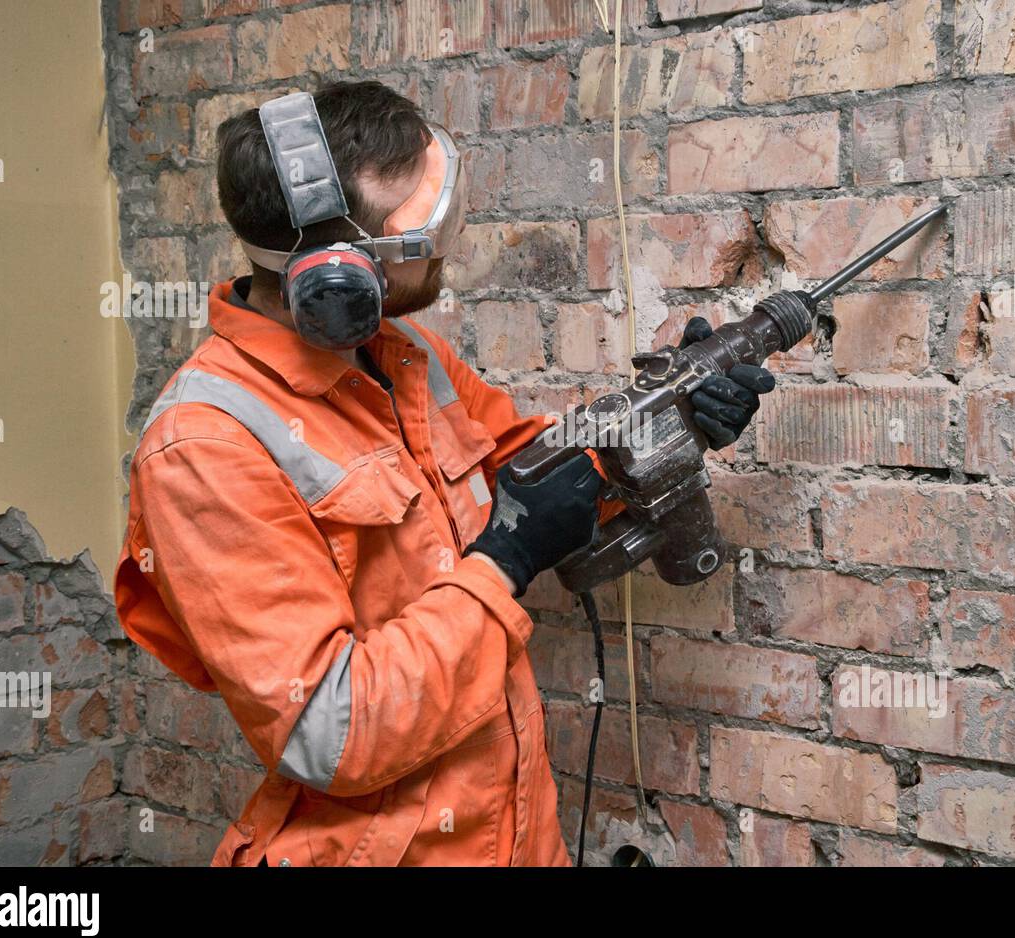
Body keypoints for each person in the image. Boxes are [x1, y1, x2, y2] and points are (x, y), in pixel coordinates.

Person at [114, 80, 773, 866]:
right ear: (338, 276)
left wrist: (668, 425)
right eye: (423, 235)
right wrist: (504, 563)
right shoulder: (203, 446)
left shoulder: (405, 357)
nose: (449, 249)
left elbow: (543, 477)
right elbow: (332, 731)